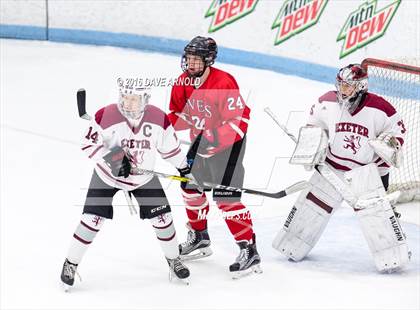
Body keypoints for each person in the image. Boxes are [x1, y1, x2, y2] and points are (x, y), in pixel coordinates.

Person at [272, 64, 411, 273]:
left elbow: (397, 133)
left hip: (365, 172)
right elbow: (315, 126)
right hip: (332, 167)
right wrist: (312, 147)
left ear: (361, 86)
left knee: (377, 218)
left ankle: (393, 257)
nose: (343, 89)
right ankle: (292, 245)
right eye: (341, 84)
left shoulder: (381, 108)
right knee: (311, 209)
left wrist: (387, 145)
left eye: (349, 85)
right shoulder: (326, 101)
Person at [60, 83, 191, 291]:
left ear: (145, 99)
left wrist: (185, 169)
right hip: (106, 176)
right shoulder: (106, 114)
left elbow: (170, 149)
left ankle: (173, 259)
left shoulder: (158, 118)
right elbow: (88, 144)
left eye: (134, 98)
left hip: (142, 179)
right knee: (91, 220)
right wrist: (112, 157)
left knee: (163, 218)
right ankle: (70, 263)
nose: (128, 102)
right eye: (126, 96)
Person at [168, 36, 261, 277]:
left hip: (229, 145)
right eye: (188, 59)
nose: (191, 64)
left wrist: (215, 138)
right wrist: (157, 128)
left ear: (209, 61)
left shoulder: (224, 82)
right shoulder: (183, 81)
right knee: (190, 187)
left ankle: (249, 249)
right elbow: (177, 113)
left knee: (226, 199)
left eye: (197, 60)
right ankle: (199, 236)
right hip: (201, 141)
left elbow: (240, 120)